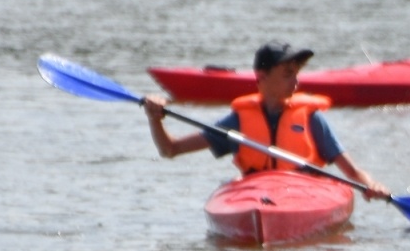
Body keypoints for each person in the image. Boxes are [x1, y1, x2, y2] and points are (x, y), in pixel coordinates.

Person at [142, 42, 389, 198]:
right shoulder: (238, 121)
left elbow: (352, 171)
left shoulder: (312, 119)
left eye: (297, 74)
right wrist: (155, 119)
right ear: (261, 77)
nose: (296, 82)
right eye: (287, 74)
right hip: (255, 193)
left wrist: (371, 185)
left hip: (304, 194)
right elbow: (170, 150)